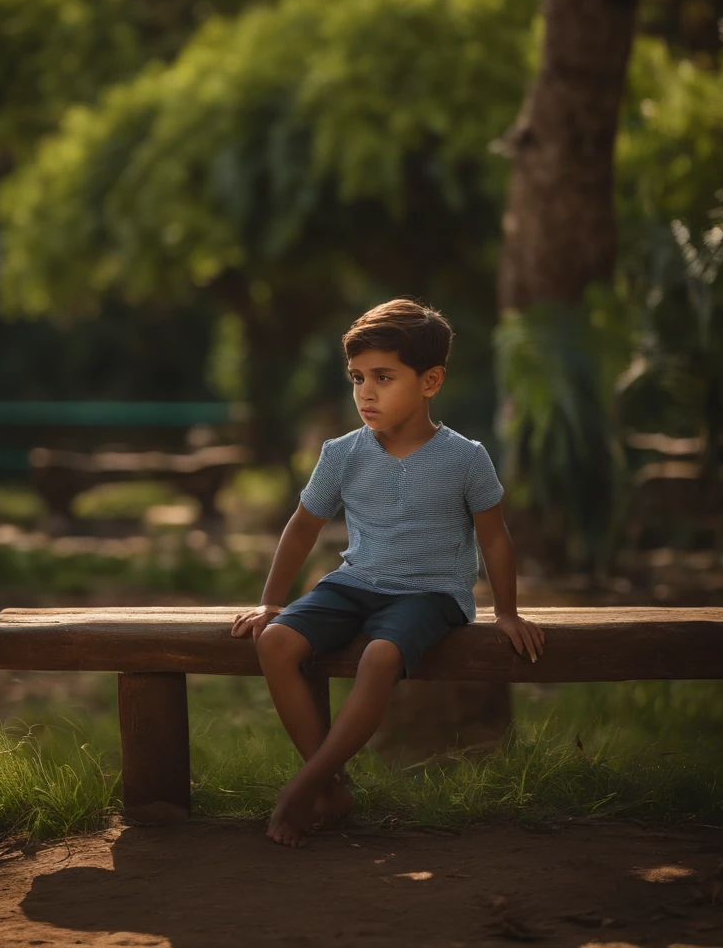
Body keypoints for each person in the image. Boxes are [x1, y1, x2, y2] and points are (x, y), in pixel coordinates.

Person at [231, 297, 544, 847]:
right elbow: (303, 526)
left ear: (430, 381)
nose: (365, 394)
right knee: (276, 642)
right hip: (355, 582)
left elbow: (494, 534)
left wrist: (507, 612)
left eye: (382, 377)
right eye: (356, 379)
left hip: (431, 594)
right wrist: (271, 601)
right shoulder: (342, 453)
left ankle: (305, 786)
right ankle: (332, 783)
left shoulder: (465, 457)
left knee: (379, 657)